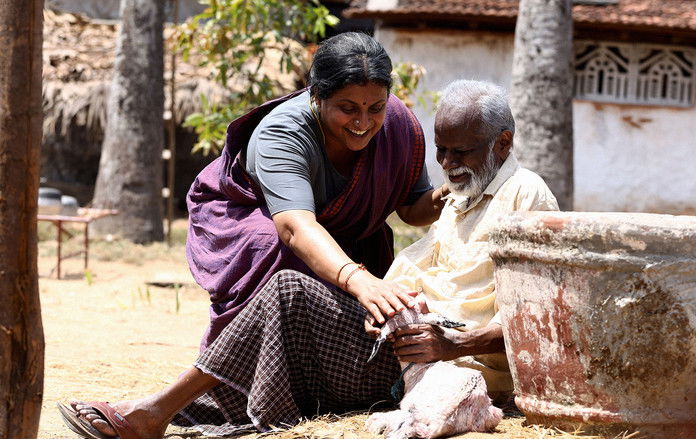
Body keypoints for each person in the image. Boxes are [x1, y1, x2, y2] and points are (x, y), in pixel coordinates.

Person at [59, 32, 446, 439]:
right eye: (347, 109)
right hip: (254, 226)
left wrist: (451, 193)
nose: (363, 123)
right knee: (280, 269)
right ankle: (180, 407)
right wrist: (359, 280)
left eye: (375, 108)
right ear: (316, 96)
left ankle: (174, 407)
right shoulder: (281, 133)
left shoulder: (399, 127)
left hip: (333, 245)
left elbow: (413, 208)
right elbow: (296, 228)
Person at [369, 79, 559, 401]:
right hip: (420, 346)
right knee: (297, 298)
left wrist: (452, 345)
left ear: (502, 143)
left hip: (466, 369)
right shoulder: (462, 193)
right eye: (441, 149)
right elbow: (415, 265)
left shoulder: (526, 194)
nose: (445, 163)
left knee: (293, 298)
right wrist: (382, 307)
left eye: (460, 152)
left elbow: (532, 313)